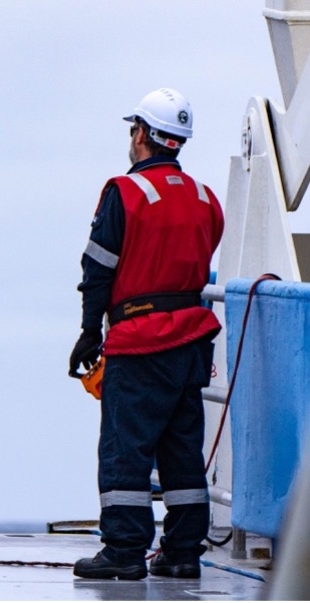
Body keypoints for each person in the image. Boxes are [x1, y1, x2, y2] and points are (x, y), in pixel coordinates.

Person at [69, 88, 224, 580]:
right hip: (192, 340)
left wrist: (88, 332)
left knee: (125, 447)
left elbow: (98, 269)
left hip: (140, 341)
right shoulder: (205, 198)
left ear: (141, 134)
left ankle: (124, 550)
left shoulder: (124, 192)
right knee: (182, 449)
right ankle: (182, 552)